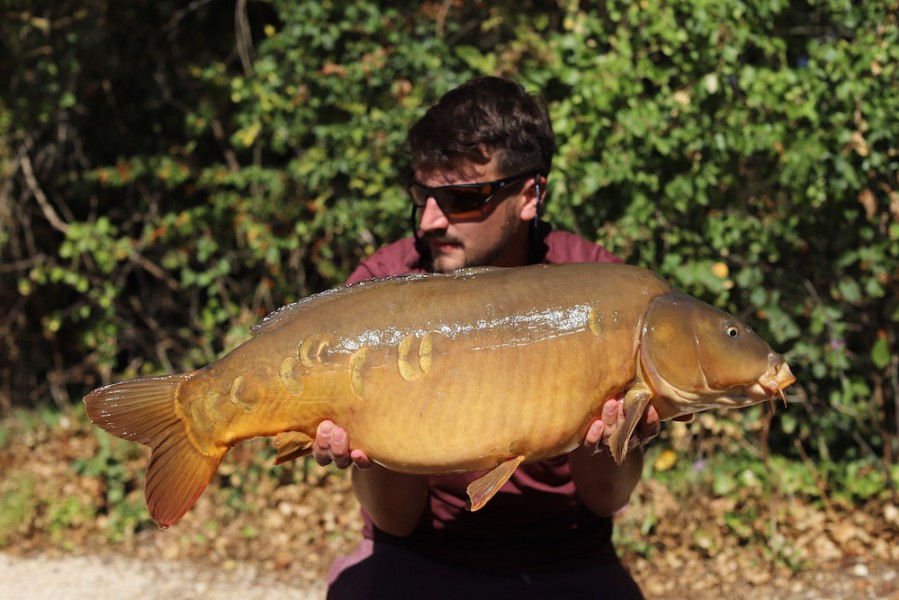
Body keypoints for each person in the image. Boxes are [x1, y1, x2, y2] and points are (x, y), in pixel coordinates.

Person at [312, 76, 660, 599]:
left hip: (567, 557)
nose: (431, 220)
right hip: (421, 551)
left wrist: (613, 426)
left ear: (529, 195)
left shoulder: (601, 290)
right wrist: (367, 444)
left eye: (460, 199)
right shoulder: (382, 288)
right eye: (422, 194)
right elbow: (395, 520)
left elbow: (607, 497)